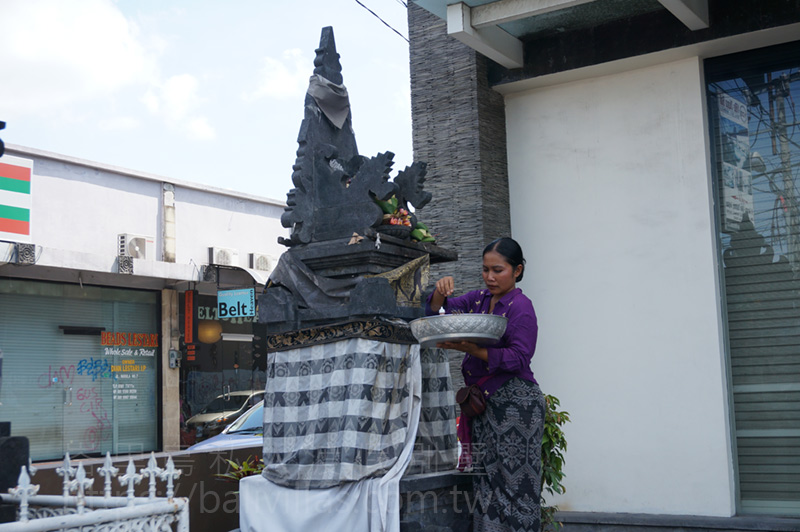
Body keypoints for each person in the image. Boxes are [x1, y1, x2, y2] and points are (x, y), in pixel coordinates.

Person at [427, 237, 544, 532]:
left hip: (516, 407)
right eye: (485, 270)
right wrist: (440, 292)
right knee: (486, 482)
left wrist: (471, 350)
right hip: (485, 405)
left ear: (517, 271)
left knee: (515, 486)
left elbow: (519, 357)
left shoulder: (521, 307)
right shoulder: (478, 300)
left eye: (498, 270)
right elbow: (439, 312)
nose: (490, 277)